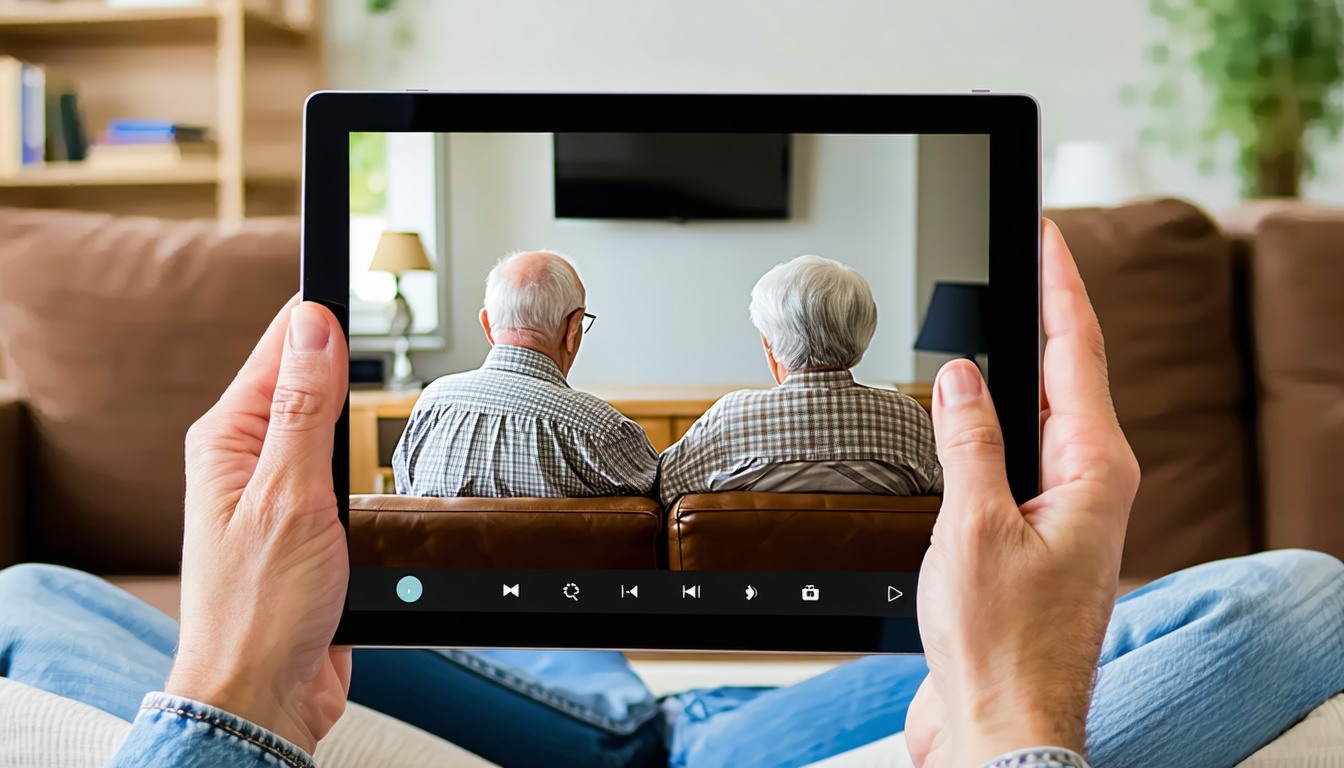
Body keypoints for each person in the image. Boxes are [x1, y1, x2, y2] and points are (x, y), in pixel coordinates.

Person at [1, 222, 1343, 768]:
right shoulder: (927, 438)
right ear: (577, 338)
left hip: (528, 696)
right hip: (775, 711)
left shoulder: (421, 433)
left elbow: (669, 504)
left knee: (32, 594)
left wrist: (230, 691)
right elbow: (652, 516)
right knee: (1304, 586)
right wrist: (1011, 711)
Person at [658, 254, 941, 507]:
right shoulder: (908, 418)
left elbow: (660, 488)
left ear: (768, 344)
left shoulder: (729, 417)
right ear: (863, 334)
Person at [393, 249, 658, 498]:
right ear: (573, 327)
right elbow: (663, 506)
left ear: (487, 324)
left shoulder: (432, 406)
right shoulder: (599, 429)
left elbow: (406, 499)